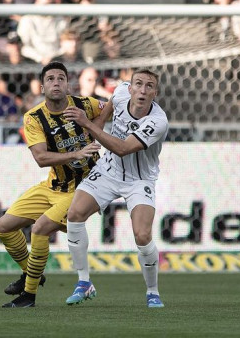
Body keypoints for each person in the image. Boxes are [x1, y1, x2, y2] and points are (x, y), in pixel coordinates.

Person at [0, 61, 104, 308]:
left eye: (60, 78)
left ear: (68, 84)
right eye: (50, 79)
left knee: (40, 229)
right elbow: (41, 159)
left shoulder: (84, 104)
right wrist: (75, 154)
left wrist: (95, 127)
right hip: (52, 185)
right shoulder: (33, 117)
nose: (56, 83)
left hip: (82, 189)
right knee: (3, 227)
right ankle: (31, 273)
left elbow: (108, 107)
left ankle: (28, 296)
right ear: (42, 86)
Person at [62, 69, 169, 308]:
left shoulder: (158, 122)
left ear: (155, 93)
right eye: (138, 84)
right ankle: (84, 282)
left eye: (149, 86)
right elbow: (108, 111)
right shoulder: (120, 92)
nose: (142, 90)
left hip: (139, 180)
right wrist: (94, 135)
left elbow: (122, 147)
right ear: (129, 88)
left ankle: (152, 291)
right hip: (108, 169)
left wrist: (87, 124)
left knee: (142, 236)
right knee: (74, 214)